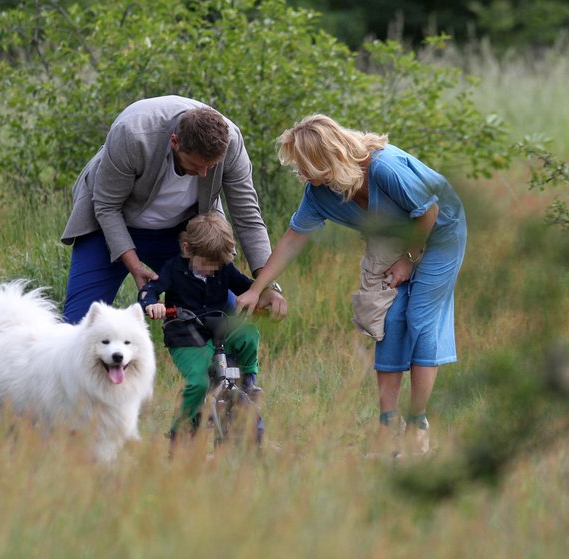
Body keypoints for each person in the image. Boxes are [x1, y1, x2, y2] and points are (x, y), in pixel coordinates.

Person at [236, 114, 467, 457]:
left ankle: (418, 426)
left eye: (305, 165)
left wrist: (407, 260)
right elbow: (293, 239)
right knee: (387, 321)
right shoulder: (318, 193)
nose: (300, 174)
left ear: (326, 159)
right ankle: (388, 426)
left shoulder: (383, 167)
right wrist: (257, 288)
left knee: (420, 318)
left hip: (440, 232)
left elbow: (428, 212)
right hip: (394, 242)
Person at [60, 95, 287, 324]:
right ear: (175, 142)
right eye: (196, 165)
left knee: (224, 319)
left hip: (181, 233)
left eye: (211, 167)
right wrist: (135, 266)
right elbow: (107, 206)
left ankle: (220, 361)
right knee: (78, 324)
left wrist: (265, 285)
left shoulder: (231, 142)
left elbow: (248, 217)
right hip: (108, 225)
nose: (203, 175)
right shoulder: (133, 134)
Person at [139, 212, 263, 440]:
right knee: (200, 380)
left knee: (248, 333)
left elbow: (246, 286)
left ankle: (249, 382)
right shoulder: (174, 269)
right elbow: (150, 290)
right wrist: (152, 304)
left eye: (219, 264)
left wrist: (264, 295)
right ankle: (181, 429)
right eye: (208, 263)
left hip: (219, 330)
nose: (213, 269)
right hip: (185, 335)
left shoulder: (222, 268)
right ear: (187, 249)